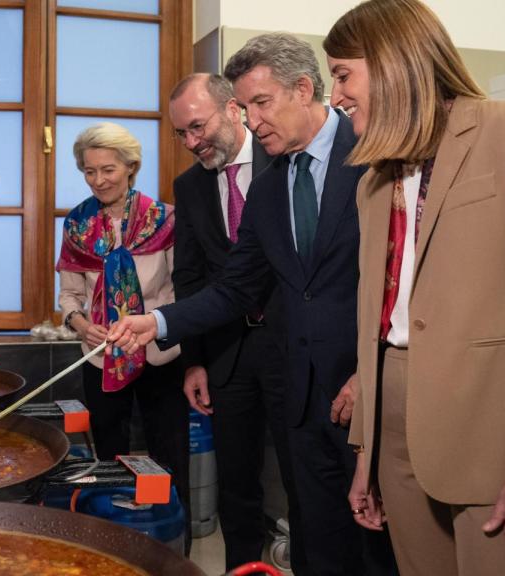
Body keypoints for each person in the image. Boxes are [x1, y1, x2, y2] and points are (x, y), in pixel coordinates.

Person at [323, 1, 505, 573]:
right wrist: (367, 455)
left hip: (497, 427)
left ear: (392, 62)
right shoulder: (374, 184)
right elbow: (376, 326)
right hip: (397, 426)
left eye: (342, 74)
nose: (336, 97)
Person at [108, 34, 398, 576]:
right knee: (318, 534)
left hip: (369, 390)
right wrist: (158, 321)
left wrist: (371, 369)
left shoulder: (372, 156)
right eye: (245, 106)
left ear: (305, 89)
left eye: (260, 103)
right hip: (302, 394)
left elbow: (400, 281)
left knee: (378, 543)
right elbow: (236, 286)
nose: (253, 119)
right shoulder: (271, 186)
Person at [168, 72, 302, 571]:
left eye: (197, 127)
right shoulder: (191, 186)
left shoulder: (285, 160)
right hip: (227, 355)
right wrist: (194, 362)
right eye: (181, 134)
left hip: (292, 349)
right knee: (237, 484)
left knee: (301, 478)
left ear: (232, 109)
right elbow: (190, 277)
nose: (191, 142)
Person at [56, 122, 190, 550]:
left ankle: (170, 537)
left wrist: (148, 323)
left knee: (167, 448)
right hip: (100, 354)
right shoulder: (77, 224)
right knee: (110, 450)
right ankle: (111, 541)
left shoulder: (165, 219)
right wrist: (80, 323)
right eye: (89, 171)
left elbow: (183, 288)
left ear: (131, 168)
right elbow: (70, 294)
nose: (99, 180)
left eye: (108, 169)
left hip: (157, 352)